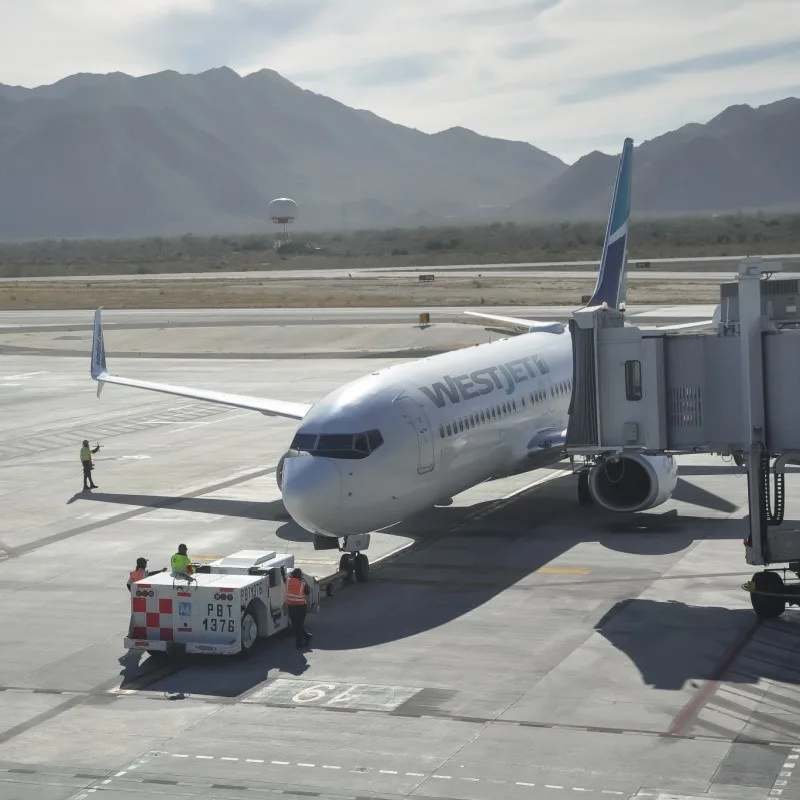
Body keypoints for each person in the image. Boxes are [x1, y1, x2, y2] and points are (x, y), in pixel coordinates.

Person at [286, 567, 312, 648]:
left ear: (292, 574)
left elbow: (284, 577)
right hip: (301, 607)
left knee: (295, 625)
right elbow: (308, 592)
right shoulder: (303, 584)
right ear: (300, 576)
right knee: (299, 624)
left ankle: (299, 642)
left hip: (291, 606)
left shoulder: (288, 581)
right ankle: (305, 637)